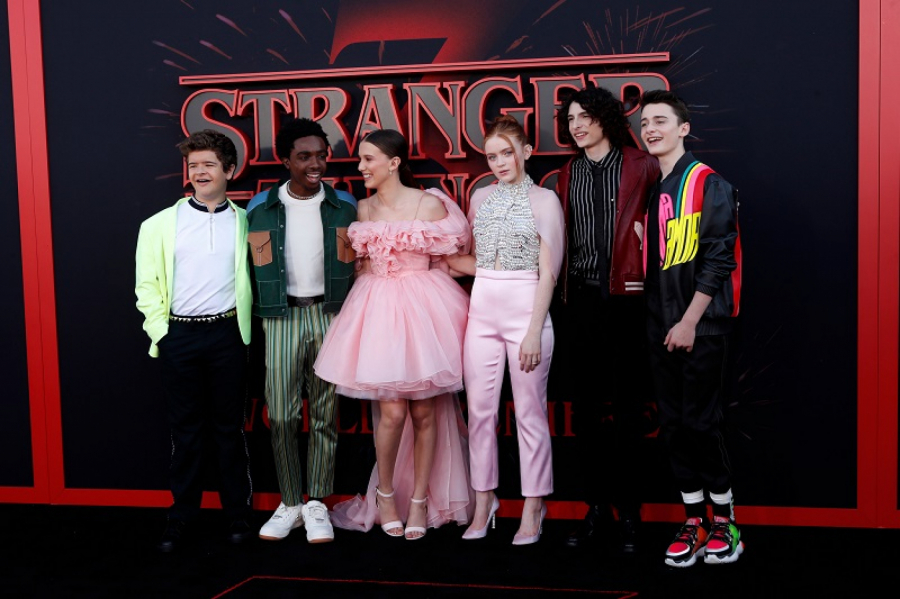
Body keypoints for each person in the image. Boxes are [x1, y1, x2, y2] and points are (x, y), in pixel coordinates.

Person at [313, 128, 474, 540]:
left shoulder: (429, 204)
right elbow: (363, 266)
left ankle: (419, 500)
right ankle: (385, 495)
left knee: (424, 413)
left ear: (394, 162)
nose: (361, 166)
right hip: (378, 311)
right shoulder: (364, 208)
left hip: (425, 311)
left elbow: (453, 259)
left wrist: (511, 273)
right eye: (361, 159)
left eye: (368, 159)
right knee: (392, 413)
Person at [444, 115, 565, 545]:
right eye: (491, 156)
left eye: (506, 153)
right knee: (480, 414)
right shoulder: (479, 197)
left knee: (530, 413)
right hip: (482, 313)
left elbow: (549, 272)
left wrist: (533, 330)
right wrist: (431, 256)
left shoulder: (545, 200)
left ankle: (534, 505)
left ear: (525, 152)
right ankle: (484, 502)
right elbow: (477, 261)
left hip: (527, 312)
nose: (498, 162)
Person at [135, 129, 254, 552]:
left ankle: (238, 513)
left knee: (229, 431)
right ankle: (181, 516)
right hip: (179, 336)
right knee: (186, 433)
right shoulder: (158, 225)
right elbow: (146, 287)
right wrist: (162, 334)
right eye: (193, 165)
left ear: (230, 170)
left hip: (227, 335)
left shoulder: (247, 221)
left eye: (208, 165)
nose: (199, 172)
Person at [639, 89, 743, 567]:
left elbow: (720, 258)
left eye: (660, 121)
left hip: (700, 327)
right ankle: (694, 519)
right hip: (661, 326)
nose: (651, 129)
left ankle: (725, 523)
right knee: (675, 426)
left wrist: (689, 321)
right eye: (645, 123)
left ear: (683, 128)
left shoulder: (707, 182)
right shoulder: (657, 189)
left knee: (702, 424)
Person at [554, 84, 660, 553]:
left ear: (606, 118)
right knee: (586, 412)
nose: (576, 125)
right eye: (570, 119)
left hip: (627, 302)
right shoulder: (566, 173)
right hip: (579, 303)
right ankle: (595, 508)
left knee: (629, 409)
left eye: (585, 116)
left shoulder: (641, 165)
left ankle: (630, 513)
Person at [246, 118, 358, 544]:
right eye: (305, 156)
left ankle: (316, 504)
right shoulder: (259, 208)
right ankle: (291, 501)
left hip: (329, 315)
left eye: (321, 156)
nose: (316, 164)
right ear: (285, 160)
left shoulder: (345, 205)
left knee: (326, 414)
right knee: (281, 415)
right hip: (280, 316)